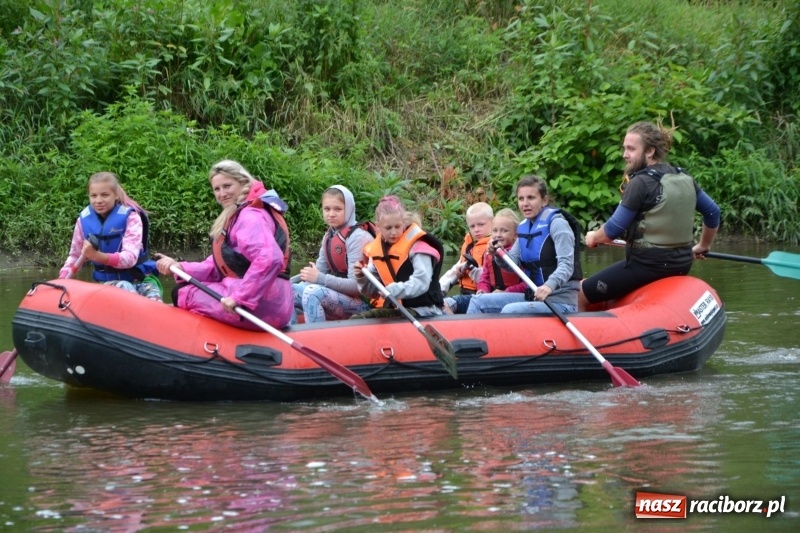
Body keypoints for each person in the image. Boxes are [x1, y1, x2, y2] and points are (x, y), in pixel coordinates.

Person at [579, 121, 721, 310]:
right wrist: (703, 246)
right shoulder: (684, 177)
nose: (624, 155)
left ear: (650, 151)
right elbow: (713, 212)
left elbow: (613, 229)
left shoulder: (641, 183)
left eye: (631, 149)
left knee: (579, 293)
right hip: (682, 264)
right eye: (624, 148)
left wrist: (593, 237)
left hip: (646, 267)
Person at [155, 160, 293, 330]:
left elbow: (270, 258)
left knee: (182, 292)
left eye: (227, 186)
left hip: (259, 306)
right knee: (185, 284)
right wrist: (181, 268)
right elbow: (217, 266)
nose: (222, 194)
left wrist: (240, 297)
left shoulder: (249, 217)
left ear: (243, 182)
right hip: (274, 304)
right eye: (217, 189)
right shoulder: (241, 214)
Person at [467, 175, 582, 315]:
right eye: (521, 199)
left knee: (510, 310)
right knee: (478, 300)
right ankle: (471, 336)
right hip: (533, 296)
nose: (525, 203)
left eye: (531, 198)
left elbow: (567, 265)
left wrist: (548, 286)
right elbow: (511, 265)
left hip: (560, 301)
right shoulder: (523, 227)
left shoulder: (558, 224)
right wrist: (497, 253)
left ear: (544, 200)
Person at [59, 171, 162, 301]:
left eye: (105, 195)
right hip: (110, 284)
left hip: (141, 280)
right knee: (124, 287)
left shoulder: (131, 217)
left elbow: (129, 258)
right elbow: (74, 256)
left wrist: (97, 256)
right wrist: (62, 278)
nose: (98, 201)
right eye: (93, 196)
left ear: (116, 195)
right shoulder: (83, 221)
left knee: (152, 297)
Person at [352, 195, 445, 319]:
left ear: (403, 223)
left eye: (397, 226)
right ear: (378, 227)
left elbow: (422, 283)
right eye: (388, 228)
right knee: (360, 319)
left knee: (361, 319)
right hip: (399, 310)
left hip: (425, 311)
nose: (394, 232)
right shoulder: (377, 251)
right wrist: (362, 277)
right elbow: (372, 292)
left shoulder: (418, 248)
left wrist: (394, 290)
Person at [291, 185, 372, 323]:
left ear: (349, 209)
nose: (331, 214)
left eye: (338, 209)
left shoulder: (358, 238)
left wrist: (320, 278)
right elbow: (318, 272)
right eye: (327, 209)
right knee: (286, 290)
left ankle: (317, 340)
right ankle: (288, 337)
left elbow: (356, 286)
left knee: (312, 293)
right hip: (340, 297)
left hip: (363, 304)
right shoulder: (329, 236)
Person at [439, 202, 493, 314]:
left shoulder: (494, 246)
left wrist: (470, 270)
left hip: (481, 296)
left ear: (492, 223)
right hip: (465, 293)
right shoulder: (470, 244)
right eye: (472, 226)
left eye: (481, 225)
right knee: (439, 303)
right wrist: (439, 290)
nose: (476, 229)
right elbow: (454, 271)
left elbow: (491, 277)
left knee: (445, 305)